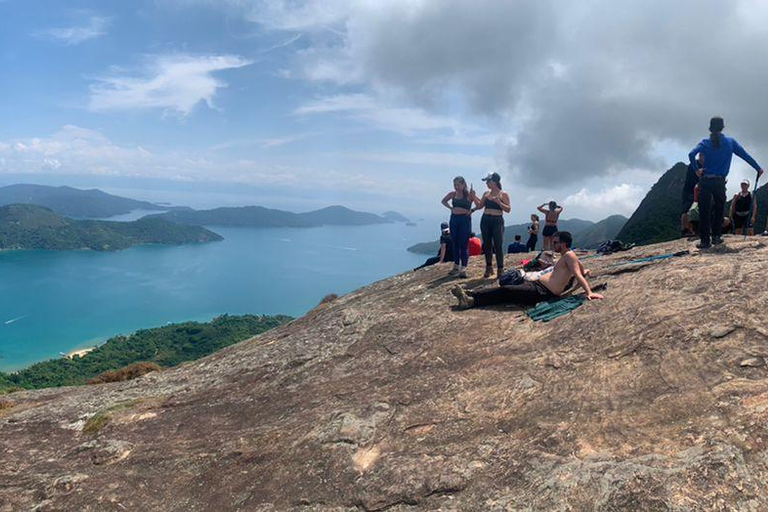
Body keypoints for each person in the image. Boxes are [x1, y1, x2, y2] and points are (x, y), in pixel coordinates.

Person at [451, 231, 603, 309]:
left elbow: (577, 273)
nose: (553, 245)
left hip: (543, 292)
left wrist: (589, 292)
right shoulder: (569, 256)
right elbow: (581, 269)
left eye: (555, 242)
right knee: (507, 290)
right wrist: (586, 271)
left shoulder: (569, 255)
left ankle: (471, 300)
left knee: (507, 291)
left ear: (563, 244)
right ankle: (472, 295)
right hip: (538, 286)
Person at [688, 116, 764, 249]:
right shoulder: (730, 142)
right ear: (723, 127)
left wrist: (696, 170)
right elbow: (745, 155)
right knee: (719, 209)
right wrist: (758, 168)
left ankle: (705, 241)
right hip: (719, 182)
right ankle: (717, 237)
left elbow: (691, 154)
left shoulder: (705, 142)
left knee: (704, 211)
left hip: (705, 181)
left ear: (710, 128)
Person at [473, 172, 511, 279]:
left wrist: (499, 202)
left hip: (497, 220)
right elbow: (480, 206)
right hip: (485, 219)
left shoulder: (503, 194)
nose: (487, 183)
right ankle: (489, 267)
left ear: (494, 181)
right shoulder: (486, 193)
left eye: (488, 181)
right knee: (487, 245)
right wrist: (474, 196)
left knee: (498, 245)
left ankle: (500, 269)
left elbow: (508, 209)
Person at [441, 176, 477, 278]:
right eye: (455, 185)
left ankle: (463, 268)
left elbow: (479, 205)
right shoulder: (453, 194)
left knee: (463, 244)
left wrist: (472, 210)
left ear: (463, 184)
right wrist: (451, 208)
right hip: (454, 219)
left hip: (464, 221)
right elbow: (443, 201)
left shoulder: (469, 195)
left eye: (458, 184)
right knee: (455, 243)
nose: (456, 187)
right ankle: (456, 266)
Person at [681, 154, 703, 237]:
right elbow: (692, 178)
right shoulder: (694, 164)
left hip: (700, 191)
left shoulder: (707, 165)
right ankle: (685, 229)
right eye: (702, 155)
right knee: (686, 209)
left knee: (698, 210)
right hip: (689, 190)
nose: (703, 157)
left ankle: (695, 230)